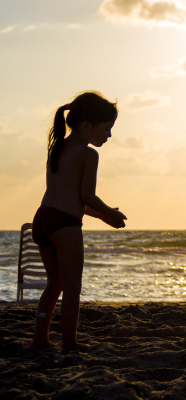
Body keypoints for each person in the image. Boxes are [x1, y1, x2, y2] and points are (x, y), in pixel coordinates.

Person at [30, 91, 127, 352]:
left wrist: (103, 216)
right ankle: (69, 342)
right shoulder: (88, 155)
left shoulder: (58, 147)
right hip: (65, 224)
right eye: (107, 128)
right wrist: (112, 212)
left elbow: (73, 200)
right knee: (72, 287)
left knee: (55, 284)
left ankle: (40, 339)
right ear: (87, 126)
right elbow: (87, 196)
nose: (109, 135)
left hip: (43, 218)